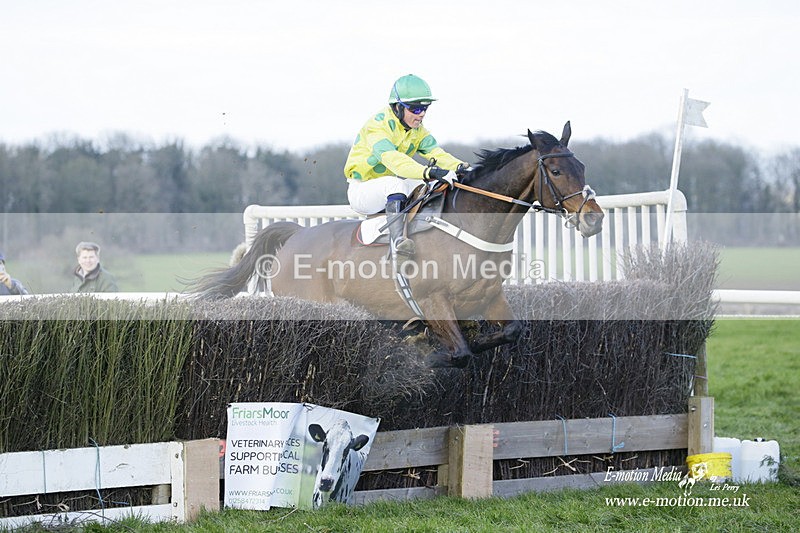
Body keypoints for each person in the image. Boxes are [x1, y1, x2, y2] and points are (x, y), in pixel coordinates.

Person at [344, 74, 469, 260]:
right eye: (415, 108)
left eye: (425, 108)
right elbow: (394, 160)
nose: (421, 114)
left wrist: (462, 167)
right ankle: (398, 245)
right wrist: (429, 171)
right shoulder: (377, 126)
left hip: (389, 187)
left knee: (429, 185)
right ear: (397, 107)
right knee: (396, 185)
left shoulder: (417, 129)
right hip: (362, 190)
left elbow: (437, 153)